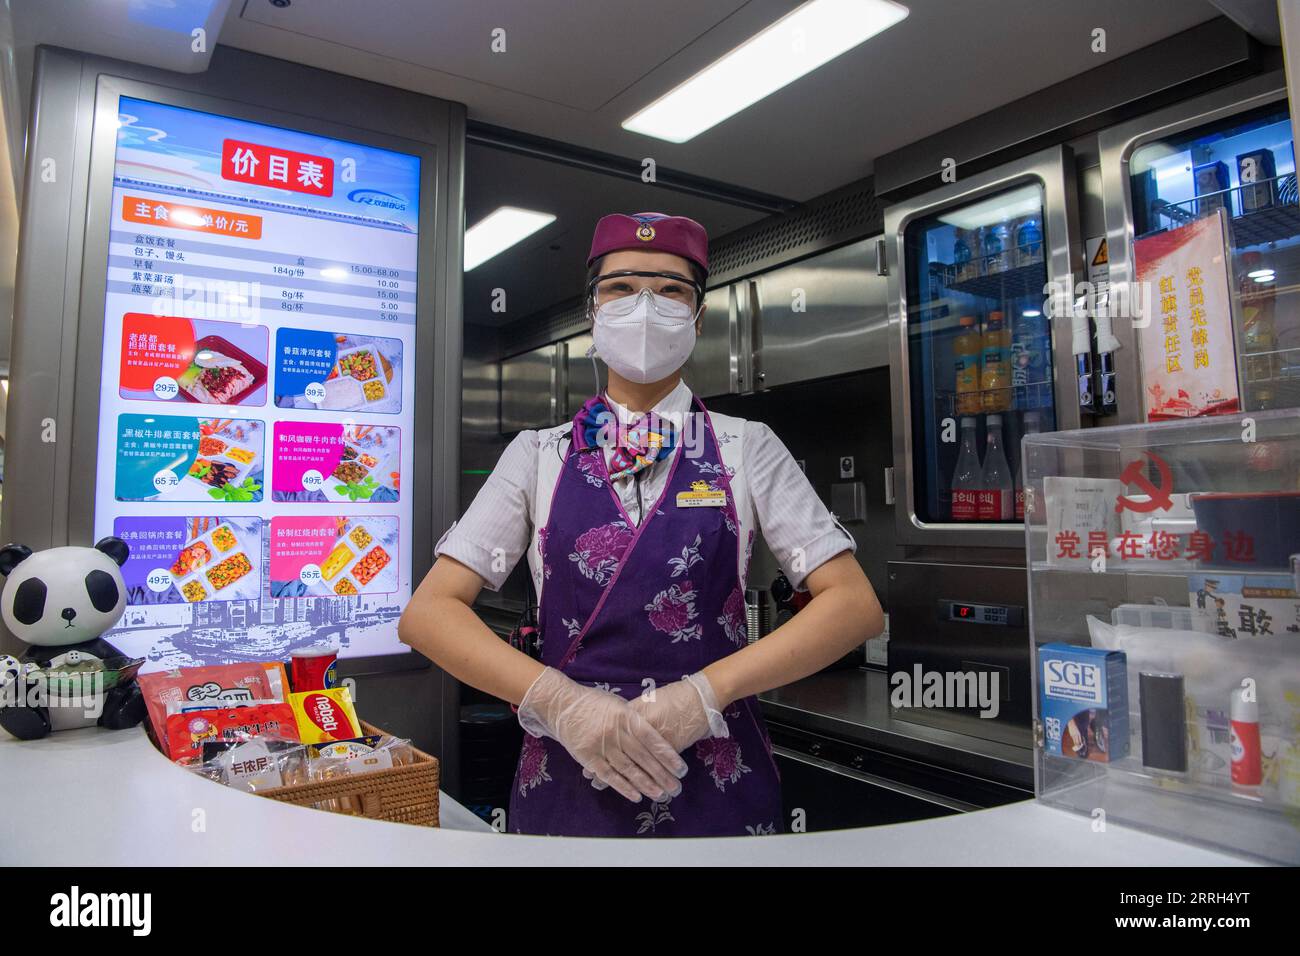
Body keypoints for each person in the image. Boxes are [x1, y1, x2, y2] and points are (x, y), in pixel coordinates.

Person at [399, 211, 884, 837]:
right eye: (621, 287)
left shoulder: (747, 445)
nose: (646, 306)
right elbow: (429, 613)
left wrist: (705, 694)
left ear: (699, 318)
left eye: (672, 289)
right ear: (592, 313)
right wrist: (561, 703)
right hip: (568, 777)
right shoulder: (537, 453)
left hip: (715, 770)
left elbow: (853, 605)